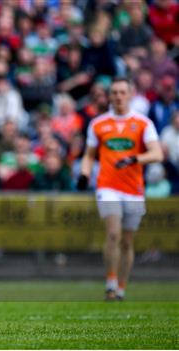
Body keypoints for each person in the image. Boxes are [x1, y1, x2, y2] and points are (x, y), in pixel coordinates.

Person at [77, 77, 163, 301]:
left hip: (133, 189)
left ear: (130, 94)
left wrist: (135, 158)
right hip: (107, 186)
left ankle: (122, 287)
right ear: (109, 96)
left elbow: (157, 154)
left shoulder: (143, 123)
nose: (118, 96)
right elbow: (89, 155)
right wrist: (84, 174)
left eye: (122, 92)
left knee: (127, 241)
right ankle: (111, 284)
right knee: (113, 234)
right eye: (114, 92)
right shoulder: (98, 124)